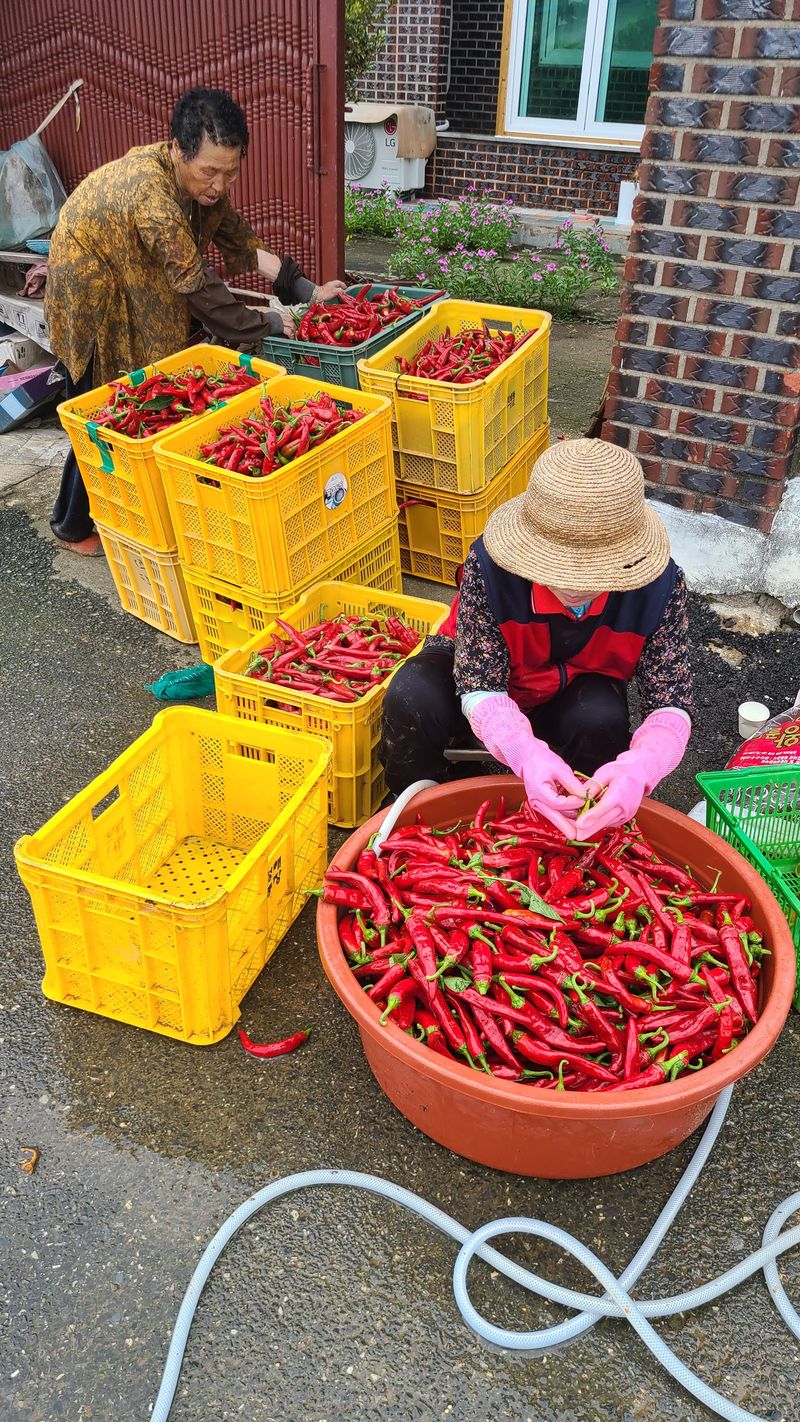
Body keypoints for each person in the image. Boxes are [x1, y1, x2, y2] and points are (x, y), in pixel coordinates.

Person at [45, 87, 345, 554]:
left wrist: (305, 290)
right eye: (210, 171)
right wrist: (262, 322)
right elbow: (196, 284)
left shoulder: (201, 189)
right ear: (177, 150)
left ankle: (126, 510)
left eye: (231, 172)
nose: (220, 185)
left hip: (136, 278)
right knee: (102, 409)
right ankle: (72, 526)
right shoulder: (151, 191)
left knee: (149, 395)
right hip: (90, 294)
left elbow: (239, 242)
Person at [380, 438, 693, 839]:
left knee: (600, 719)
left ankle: (581, 822)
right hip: (482, 672)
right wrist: (524, 752)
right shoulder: (490, 569)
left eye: (593, 572)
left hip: (575, 684)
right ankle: (419, 815)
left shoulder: (660, 588)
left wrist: (643, 765)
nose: (574, 586)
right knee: (412, 693)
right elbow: (478, 682)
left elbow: (671, 700)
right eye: (559, 567)